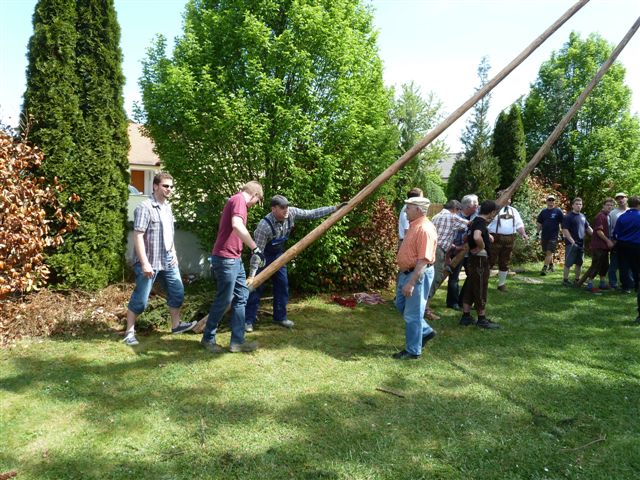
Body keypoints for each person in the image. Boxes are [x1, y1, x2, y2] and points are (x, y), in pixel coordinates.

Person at [245, 195, 338, 332]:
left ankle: (280, 317)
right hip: (263, 257)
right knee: (255, 287)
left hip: (279, 256)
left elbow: (311, 213)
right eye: (282, 207)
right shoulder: (264, 226)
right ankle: (248, 320)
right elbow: (257, 253)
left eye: (287, 206)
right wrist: (252, 275)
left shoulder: (291, 213)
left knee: (282, 285)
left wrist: (334, 208)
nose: (286, 209)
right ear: (273, 209)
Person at [124, 172, 196, 346]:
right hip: (149, 261)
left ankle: (176, 325)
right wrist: (144, 263)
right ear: (155, 186)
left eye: (171, 186)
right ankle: (129, 332)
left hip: (168, 260)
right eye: (165, 186)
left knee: (177, 292)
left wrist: (174, 253)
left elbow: (169, 234)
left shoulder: (167, 208)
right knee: (141, 300)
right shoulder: (145, 207)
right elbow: (138, 236)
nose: (169, 189)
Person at [201, 181, 264, 353]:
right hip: (226, 259)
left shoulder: (237, 201)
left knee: (241, 296)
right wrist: (255, 248)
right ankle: (208, 338)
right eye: (257, 201)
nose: (255, 204)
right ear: (254, 195)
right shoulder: (238, 200)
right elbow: (237, 225)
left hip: (235, 259)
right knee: (224, 299)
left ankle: (237, 342)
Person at [392, 196, 438, 360]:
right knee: (400, 304)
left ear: (418, 210)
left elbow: (423, 260)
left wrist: (411, 283)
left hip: (417, 274)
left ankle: (413, 351)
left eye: (408, 207)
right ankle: (425, 331)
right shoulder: (414, 225)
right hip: (406, 273)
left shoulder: (424, 229)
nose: (405, 210)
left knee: (413, 314)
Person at [460, 200, 500, 329]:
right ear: (491, 212)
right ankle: (481, 319)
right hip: (480, 260)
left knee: (470, 286)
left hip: (473, 259)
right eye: (494, 212)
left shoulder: (474, 221)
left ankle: (466, 316)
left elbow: (465, 237)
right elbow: (477, 236)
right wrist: (481, 247)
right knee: (481, 287)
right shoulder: (480, 223)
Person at [488, 194, 528, 291]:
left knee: (505, 262)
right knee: (490, 260)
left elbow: (519, 224)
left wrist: (523, 233)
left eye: (510, 198)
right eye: (507, 197)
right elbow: (485, 223)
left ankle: (501, 284)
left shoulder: (513, 210)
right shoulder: (493, 210)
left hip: (510, 239)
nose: (509, 199)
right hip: (494, 238)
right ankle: (484, 282)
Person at [430, 200, 468, 298]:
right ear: (455, 209)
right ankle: (425, 303)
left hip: (431, 248)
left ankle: (423, 301)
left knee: (429, 276)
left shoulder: (436, 216)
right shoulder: (452, 217)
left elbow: (442, 236)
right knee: (436, 277)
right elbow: (470, 224)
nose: (459, 214)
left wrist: (456, 247)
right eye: (459, 211)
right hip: (438, 251)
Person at [446, 194, 478, 310]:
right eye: (475, 204)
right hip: (456, 251)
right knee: (454, 278)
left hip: (469, 252)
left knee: (472, 276)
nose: (477, 206)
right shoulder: (455, 217)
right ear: (468, 206)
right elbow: (450, 235)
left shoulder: (475, 216)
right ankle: (452, 302)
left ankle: (463, 301)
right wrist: (455, 248)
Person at [612, 195, 640, 323]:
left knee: (623, 266)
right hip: (637, 245)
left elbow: (616, 233)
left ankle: (626, 286)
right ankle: (636, 285)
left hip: (623, 245)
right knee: (637, 267)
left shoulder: (622, 217)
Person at [583, 198, 615, 292]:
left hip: (604, 246)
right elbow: (599, 231)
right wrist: (608, 241)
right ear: (603, 205)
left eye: (611, 205)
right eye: (608, 205)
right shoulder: (600, 216)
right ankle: (589, 284)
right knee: (596, 264)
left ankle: (602, 283)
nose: (610, 207)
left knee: (605, 265)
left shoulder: (607, 216)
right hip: (598, 245)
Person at [561, 197, 593, 287]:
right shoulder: (568, 217)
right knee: (568, 263)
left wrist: (596, 236)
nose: (579, 206)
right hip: (571, 244)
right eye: (577, 204)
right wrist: (572, 241)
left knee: (579, 263)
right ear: (573, 206)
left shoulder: (582, 216)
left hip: (581, 243)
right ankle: (565, 280)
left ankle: (577, 280)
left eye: (580, 204)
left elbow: (588, 228)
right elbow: (565, 230)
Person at [536, 195, 564, 275]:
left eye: (552, 200)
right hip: (544, 235)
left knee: (549, 252)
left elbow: (563, 223)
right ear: (547, 201)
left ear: (554, 201)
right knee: (547, 252)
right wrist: (537, 233)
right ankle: (551, 265)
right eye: (549, 200)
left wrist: (562, 234)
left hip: (554, 236)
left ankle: (544, 268)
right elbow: (539, 223)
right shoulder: (543, 212)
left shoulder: (558, 211)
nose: (551, 201)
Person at [608, 192, 629, 289]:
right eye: (618, 198)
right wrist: (610, 240)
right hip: (616, 241)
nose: (620, 200)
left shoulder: (631, 211)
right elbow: (610, 228)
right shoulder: (612, 213)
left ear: (626, 198)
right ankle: (613, 283)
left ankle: (628, 283)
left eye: (622, 198)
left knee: (628, 264)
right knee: (614, 264)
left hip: (629, 241)